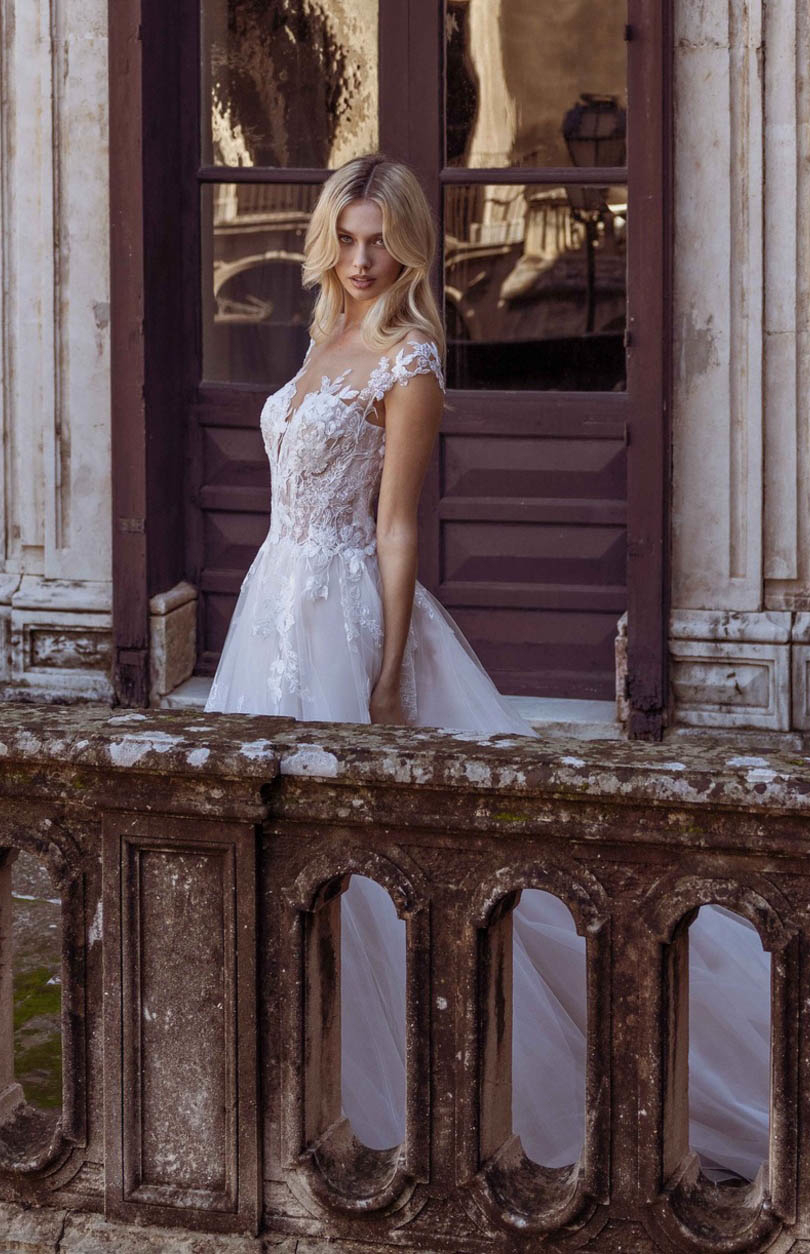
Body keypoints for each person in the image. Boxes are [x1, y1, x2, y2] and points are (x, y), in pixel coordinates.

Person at [205, 154, 769, 1183]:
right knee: (269, 840)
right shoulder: (322, 335)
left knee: (365, 856)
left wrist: (381, 675)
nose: (364, 258)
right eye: (350, 236)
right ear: (326, 236)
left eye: (382, 241)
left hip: (343, 615)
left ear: (410, 245)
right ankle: (288, 1073)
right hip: (273, 602)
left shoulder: (409, 361)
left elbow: (395, 529)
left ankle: (392, 1092)